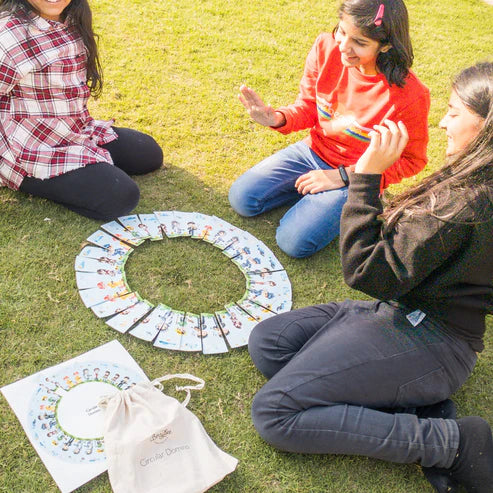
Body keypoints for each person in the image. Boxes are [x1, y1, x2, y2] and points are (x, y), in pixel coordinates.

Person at [248, 61, 493, 493]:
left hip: (432, 337)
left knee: (275, 413)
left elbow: (367, 271)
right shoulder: (474, 179)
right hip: (398, 310)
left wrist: (364, 177)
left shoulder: (466, 204)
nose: (442, 121)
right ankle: (415, 399)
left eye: (454, 112)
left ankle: (450, 442)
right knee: (269, 343)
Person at [229, 0, 430, 258]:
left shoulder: (410, 95)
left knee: (292, 241)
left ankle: (356, 201)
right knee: (242, 199)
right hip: (311, 152)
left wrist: (344, 177)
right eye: (342, 31)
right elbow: (309, 107)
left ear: (387, 45)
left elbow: (412, 160)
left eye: (360, 42)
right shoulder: (326, 46)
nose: (344, 47)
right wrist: (277, 118)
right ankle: (311, 193)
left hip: (357, 176)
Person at [0, 0, 163, 220]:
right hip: (32, 150)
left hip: (75, 130)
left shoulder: (71, 17)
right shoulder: (9, 36)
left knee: (149, 154)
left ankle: (90, 163)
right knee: (121, 196)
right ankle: (25, 178)